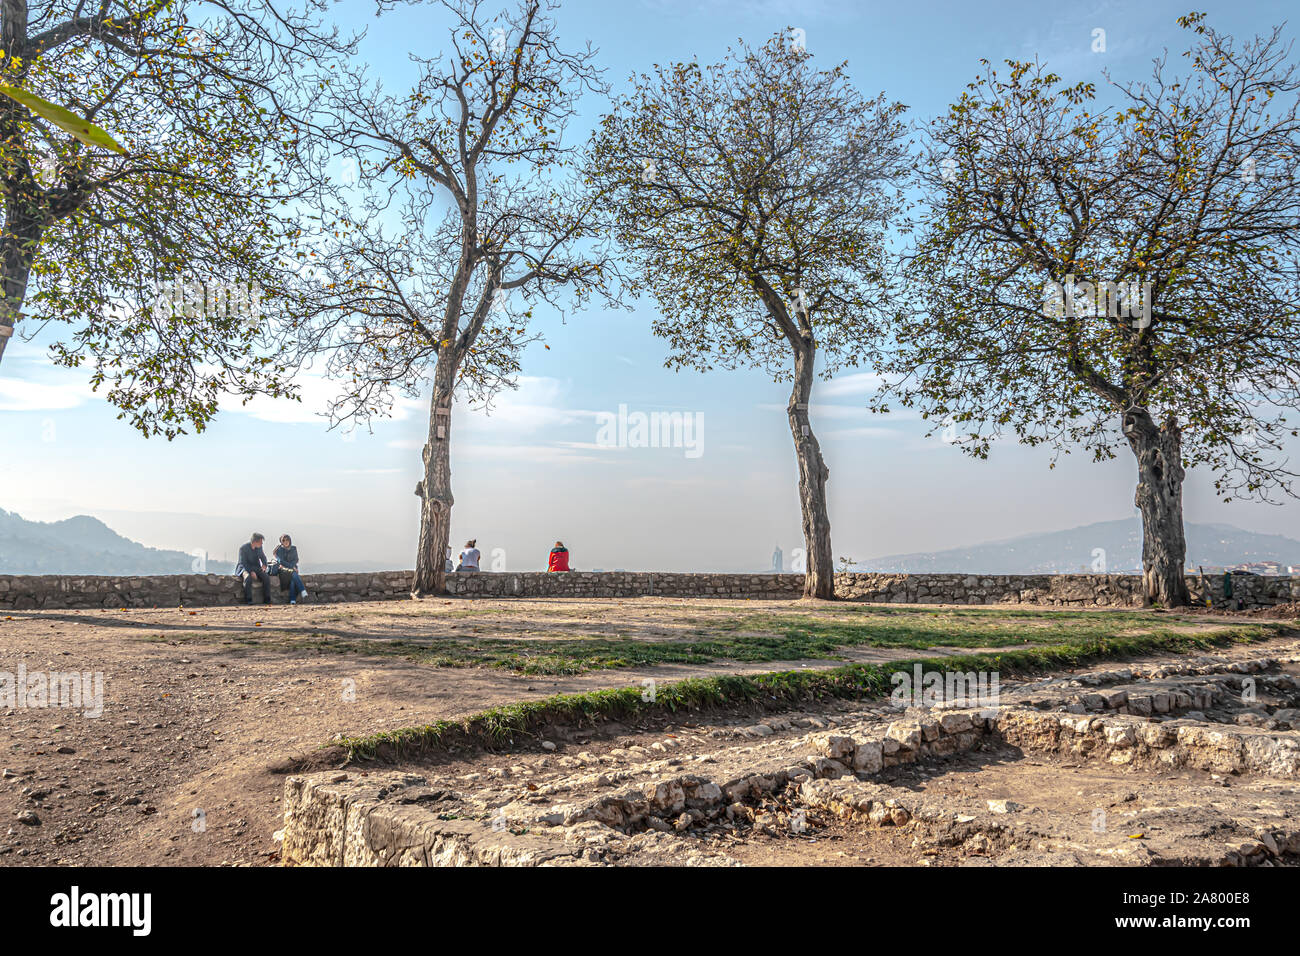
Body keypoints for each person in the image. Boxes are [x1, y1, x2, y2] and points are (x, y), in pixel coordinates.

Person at [234, 533, 272, 605]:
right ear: (255, 542)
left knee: (266, 577)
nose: (262, 544)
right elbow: (243, 562)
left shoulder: (259, 548)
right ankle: (249, 600)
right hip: (244, 568)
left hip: (256, 567)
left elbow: (263, 557)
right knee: (248, 578)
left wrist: (264, 564)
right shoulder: (243, 548)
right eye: (260, 542)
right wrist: (251, 571)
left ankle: (267, 599)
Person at [273, 534, 308, 605]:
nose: (286, 542)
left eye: (287, 540)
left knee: (292, 580)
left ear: (290, 540)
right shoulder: (279, 550)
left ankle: (292, 600)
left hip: (293, 568)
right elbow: (281, 561)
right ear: (281, 542)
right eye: (284, 540)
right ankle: (302, 590)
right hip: (284, 570)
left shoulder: (293, 548)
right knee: (293, 574)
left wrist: (292, 566)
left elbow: (296, 559)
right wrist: (292, 567)